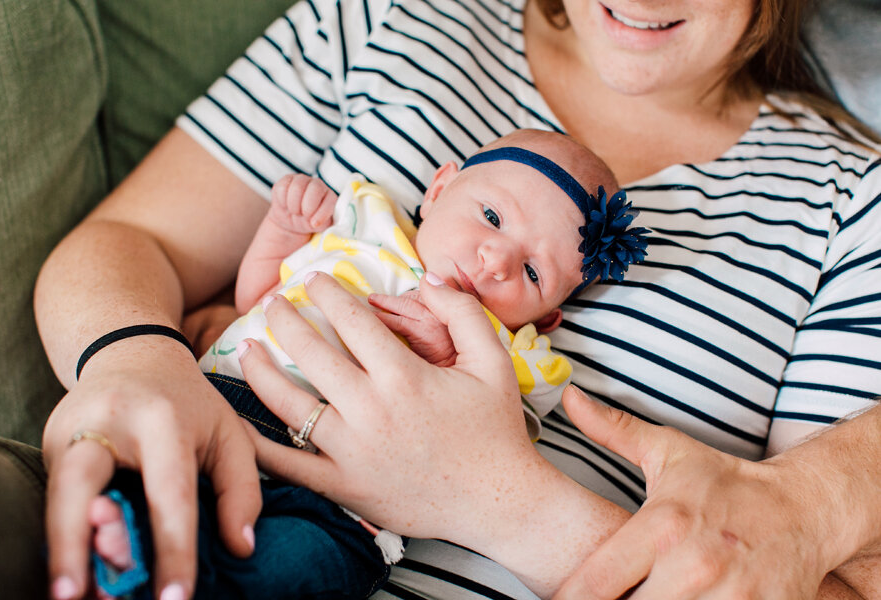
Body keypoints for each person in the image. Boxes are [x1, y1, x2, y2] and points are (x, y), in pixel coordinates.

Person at [1, 0, 881, 597]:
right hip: (224, 453)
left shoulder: (853, 206)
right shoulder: (391, 17)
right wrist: (137, 358)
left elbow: (806, 581)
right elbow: (133, 245)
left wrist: (492, 497)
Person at [88, 129, 649, 599]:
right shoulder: (362, 228)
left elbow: (498, 448)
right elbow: (257, 298)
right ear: (439, 188)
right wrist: (282, 231)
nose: (495, 260)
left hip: (347, 507)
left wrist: (448, 358)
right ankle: (133, 543)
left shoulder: (516, 356)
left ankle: (163, 579)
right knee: (164, 474)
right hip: (231, 400)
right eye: (492, 216)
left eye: (532, 273)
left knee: (302, 565)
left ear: (547, 318)